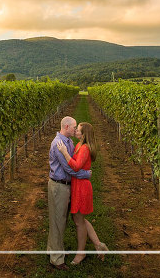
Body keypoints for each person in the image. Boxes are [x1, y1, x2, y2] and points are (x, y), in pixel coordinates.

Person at [56, 122, 109, 265]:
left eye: (78, 130)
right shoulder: (79, 145)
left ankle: (81, 253)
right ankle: (98, 245)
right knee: (80, 219)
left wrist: (64, 152)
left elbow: (76, 166)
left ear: (84, 134)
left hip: (81, 188)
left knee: (79, 221)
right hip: (77, 185)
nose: (75, 131)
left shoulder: (85, 148)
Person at [47, 116, 92, 271]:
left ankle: (51, 250)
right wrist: (86, 175)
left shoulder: (69, 142)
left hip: (66, 186)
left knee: (60, 220)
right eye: (74, 127)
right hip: (58, 186)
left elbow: (74, 162)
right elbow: (69, 169)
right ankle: (57, 260)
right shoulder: (58, 143)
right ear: (66, 127)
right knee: (58, 222)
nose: (75, 130)